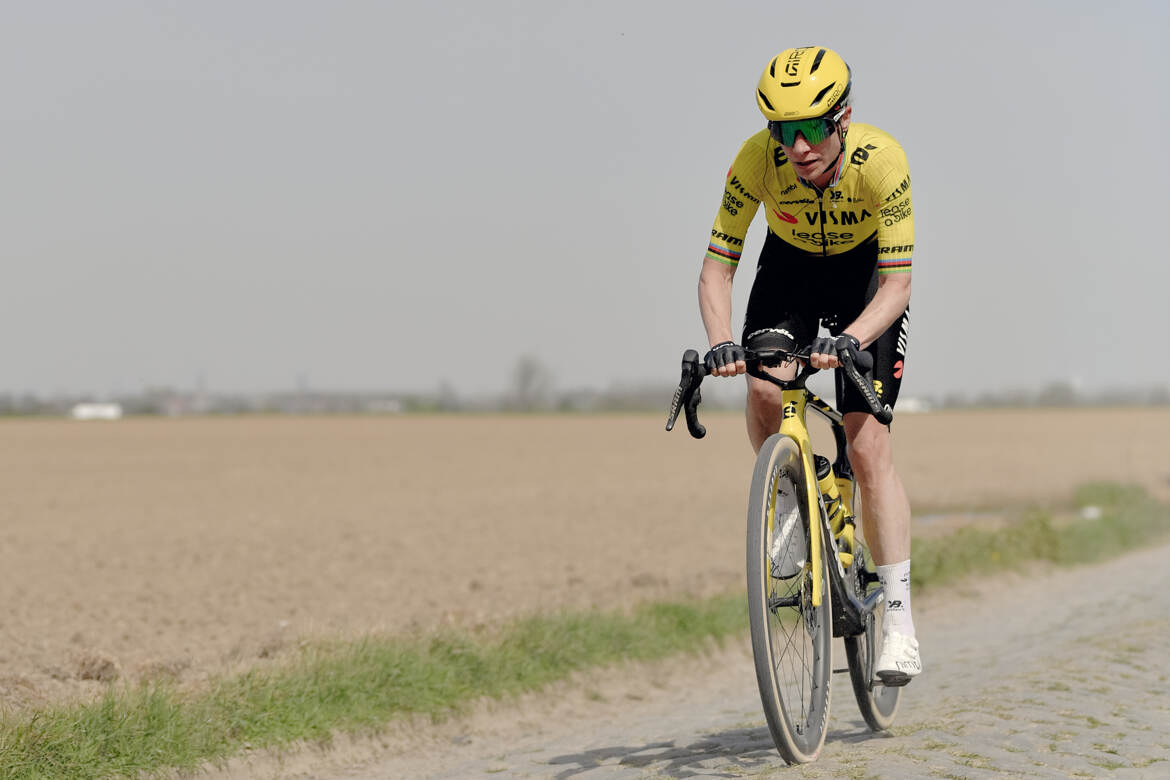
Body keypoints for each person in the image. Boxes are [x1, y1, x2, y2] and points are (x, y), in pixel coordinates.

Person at [697, 46, 921, 684]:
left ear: (843, 118)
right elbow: (718, 266)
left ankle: (900, 624)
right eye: (782, 131)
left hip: (866, 282)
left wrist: (850, 339)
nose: (797, 147)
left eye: (812, 129)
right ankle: (792, 496)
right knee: (767, 390)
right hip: (790, 272)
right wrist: (720, 341)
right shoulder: (754, 162)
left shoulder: (883, 162)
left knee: (869, 446)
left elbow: (898, 287)